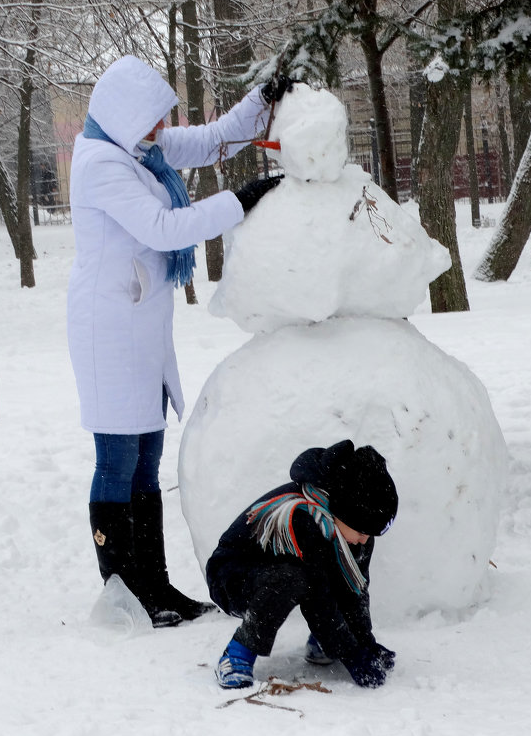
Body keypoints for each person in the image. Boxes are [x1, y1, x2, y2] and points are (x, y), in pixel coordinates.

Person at [67, 56, 292, 628]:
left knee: (147, 455)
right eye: (151, 121)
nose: (160, 132)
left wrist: (262, 102)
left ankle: (155, 585)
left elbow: (214, 139)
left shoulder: (139, 149)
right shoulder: (101, 164)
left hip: (140, 321)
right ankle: (125, 592)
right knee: (118, 457)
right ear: (123, 118)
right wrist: (240, 202)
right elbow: (164, 229)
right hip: (109, 329)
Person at [206, 439, 399, 689]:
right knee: (293, 579)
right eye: (363, 530)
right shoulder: (302, 517)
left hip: (284, 572)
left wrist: (364, 643)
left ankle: (325, 643)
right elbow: (318, 600)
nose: (366, 539)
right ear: (342, 512)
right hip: (234, 576)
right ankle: (237, 654)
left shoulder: (348, 524)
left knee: (324, 572)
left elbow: (355, 589)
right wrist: (352, 656)